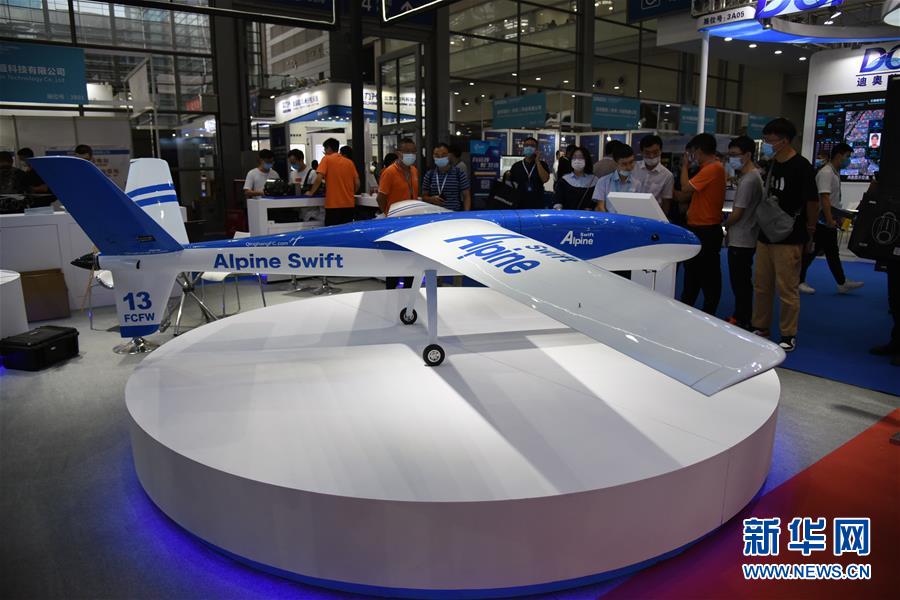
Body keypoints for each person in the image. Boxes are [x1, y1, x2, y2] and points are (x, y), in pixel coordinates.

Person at [751, 118, 819, 352]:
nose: (768, 144)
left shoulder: (801, 166)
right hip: (766, 233)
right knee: (762, 284)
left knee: (787, 288)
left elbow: (812, 201)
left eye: (771, 141)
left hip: (790, 235)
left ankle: (788, 333)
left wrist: (811, 229)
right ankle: (760, 326)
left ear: (785, 140)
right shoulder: (771, 165)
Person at [799, 143, 864, 295]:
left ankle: (841, 282)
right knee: (811, 253)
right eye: (848, 156)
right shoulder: (826, 173)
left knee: (831, 252)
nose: (849, 160)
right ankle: (798, 281)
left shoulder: (834, 173)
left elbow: (832, 200)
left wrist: (836, 218)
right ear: (839, 155)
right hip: (820, 220)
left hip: (827, 219)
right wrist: (829, 219)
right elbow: (824, 198)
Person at [675, 133, 726, 316]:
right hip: (698, 228)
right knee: (692, 273)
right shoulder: (708, 168)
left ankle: (709, 312)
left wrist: (684, 166)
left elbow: (685, 188)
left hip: (706, 230)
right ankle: (688, 308)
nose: (691, 157)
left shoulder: (713, 168)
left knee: (708, 276)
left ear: (698, 150)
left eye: (692, 153)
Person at [723, 136, 763, 330]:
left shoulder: (749, 180)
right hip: (747, 235)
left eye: (735, 155)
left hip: (742, 237)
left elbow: (738, 213)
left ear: (747, 155)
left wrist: (725, 224)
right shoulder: (752, 176)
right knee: (742, 281)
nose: (731, 159)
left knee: (740, 282)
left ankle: (742, 317)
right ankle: (742, 315)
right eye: (729, 155)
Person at [378, 139, 420, 289]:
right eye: (407, 152)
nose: (411, 155)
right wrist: (389, 215)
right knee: (394, 263)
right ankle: (391, 292)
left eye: (413, 151)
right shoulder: (389, 172)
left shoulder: (414, 170)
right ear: (398, 153)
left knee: (411, 262)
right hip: (394, 224)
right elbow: (381, 198)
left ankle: (409, 292)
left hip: (412, 224)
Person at [307, 137, 359, 226]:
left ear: (329, 148)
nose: (324, 152)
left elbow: (319, 178)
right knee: (346, 231)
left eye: (325, 149)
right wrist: (351, 193)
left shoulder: (326, 159)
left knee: (332, 231)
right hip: (349, 205)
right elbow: (357, 183)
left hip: (333, 205)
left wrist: (311, 192)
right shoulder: (349, 162)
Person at [422, 142, 471, 211]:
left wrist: (466, 213)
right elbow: (424, 197)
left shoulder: (459, 173)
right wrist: (431, 199)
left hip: (454, 214)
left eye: (443, 155)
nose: (440, 157)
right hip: (435, 214)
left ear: (449, 155)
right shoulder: (429, 175)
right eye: (437, 155)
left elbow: (466, 196)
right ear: (433, 156)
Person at [633, 135, 674, 214]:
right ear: (641, 152)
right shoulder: (633, 168)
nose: (651, 156)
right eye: (647, 153)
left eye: (655, 152)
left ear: (661, 151)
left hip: (653, 214)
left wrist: (663, 219)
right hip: (631, 211)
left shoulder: (667, 175)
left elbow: (666, 202)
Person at [592, 142, 638, 213]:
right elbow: (600, 207)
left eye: (631, 162)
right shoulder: (603, 182)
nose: (629, 167)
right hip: (609, 218)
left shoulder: (637, 183)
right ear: (615, 163)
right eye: (624, 164)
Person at [508, 137, 550, 209]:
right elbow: (511, 184)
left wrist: (537, 161)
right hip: (519, 203)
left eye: (532, 146)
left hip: (537, 202)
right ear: (523, 148)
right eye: (526, 145)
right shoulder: (516, 166)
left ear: (536, 149)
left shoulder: (542, 164)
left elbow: (545, 179)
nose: (529, 147)